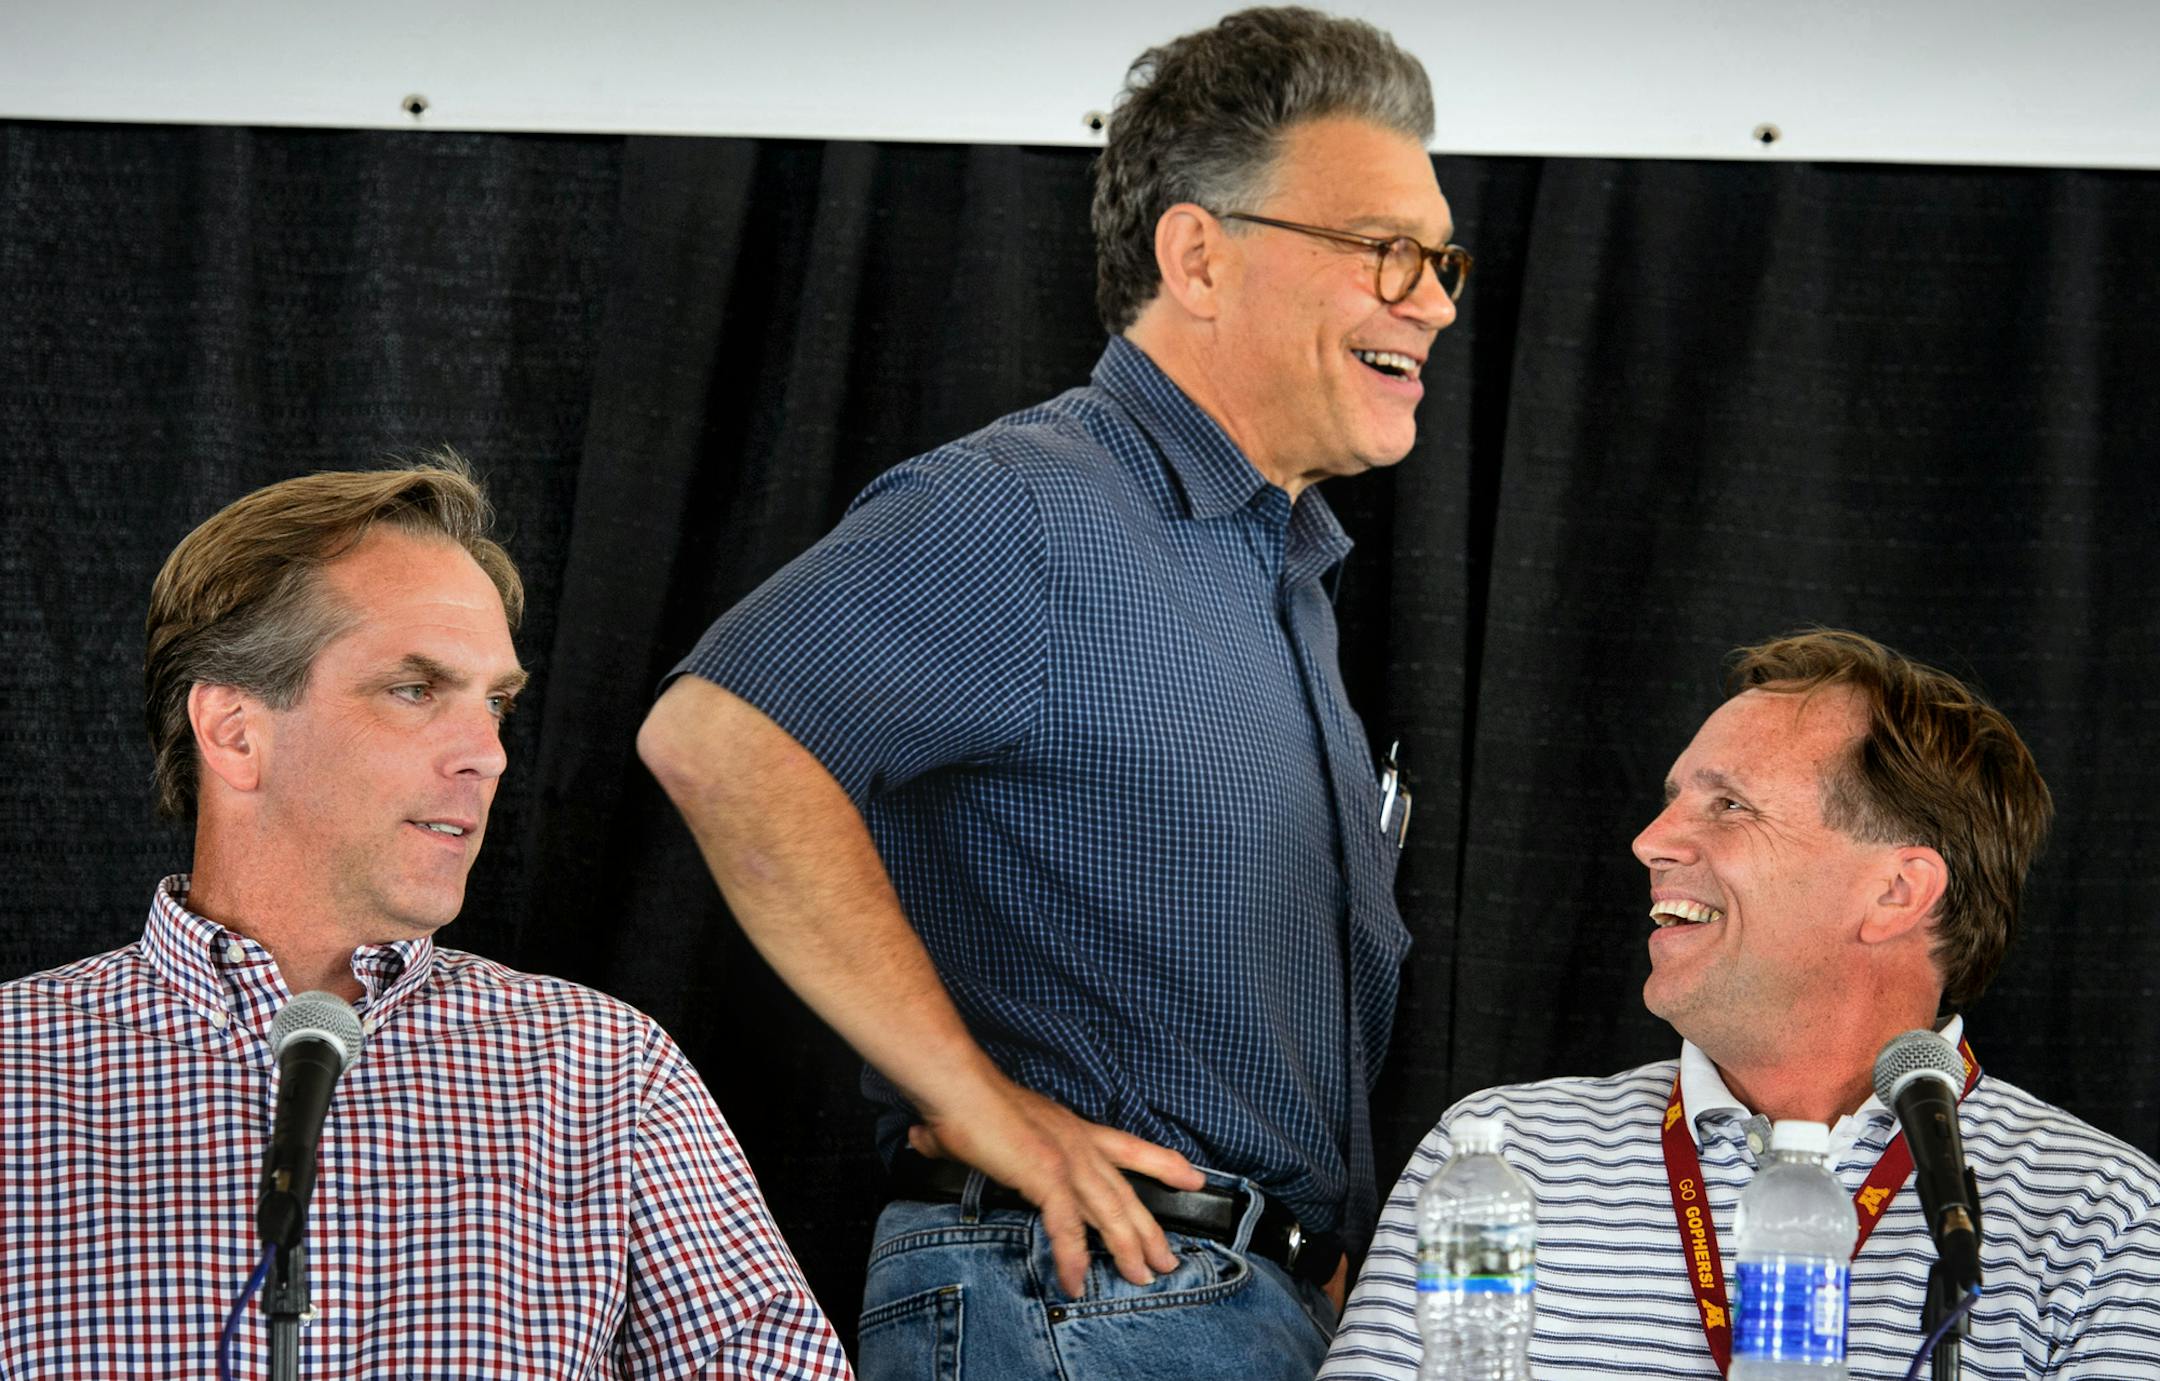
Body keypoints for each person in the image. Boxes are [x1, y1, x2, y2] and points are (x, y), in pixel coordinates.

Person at [636, 8, 1466, 1377]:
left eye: (1439, 260)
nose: (1431, 298)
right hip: (1086, 1296)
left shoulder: (1280, 571)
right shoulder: (1028, 506)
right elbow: (718, 738)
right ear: (1199, 254)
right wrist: (982, 1106)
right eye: (1385, 251)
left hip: (1222, 1313)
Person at [0, 458, 852, 1379]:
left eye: (495, 704)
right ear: (235, 730)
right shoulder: (17, 1071)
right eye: (416, 690)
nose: (487, 753)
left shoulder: (605, 1076)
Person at [1321, 629, 2160, 1379]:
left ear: (1896, 892)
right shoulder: (1501, 1156)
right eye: (1676, 796)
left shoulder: (2099, 1217)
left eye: (1728, 805)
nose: (1650, 840)